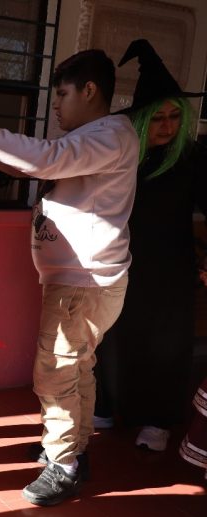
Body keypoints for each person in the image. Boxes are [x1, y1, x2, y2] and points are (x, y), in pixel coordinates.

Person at [0, 48, 139, 506]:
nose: (55, 105)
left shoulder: (108, 134)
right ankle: (74, 450)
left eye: (62, 94)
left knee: (54, 372)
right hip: (83, 280)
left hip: (84, 282)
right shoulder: (97, 138)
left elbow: (46, 160)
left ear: (90, 91)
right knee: (76, 367)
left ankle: (64, 466)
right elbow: (30, 163)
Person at [93, 39, 207, 452]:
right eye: (157, 117)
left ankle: (157, 421)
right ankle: (106, 406)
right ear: (139, 120)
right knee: (113, 337)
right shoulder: (121, 155)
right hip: (121, 261)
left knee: (164, 346)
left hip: (171, 269)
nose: (167, 125)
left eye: (175, 116)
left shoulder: (192, 159)